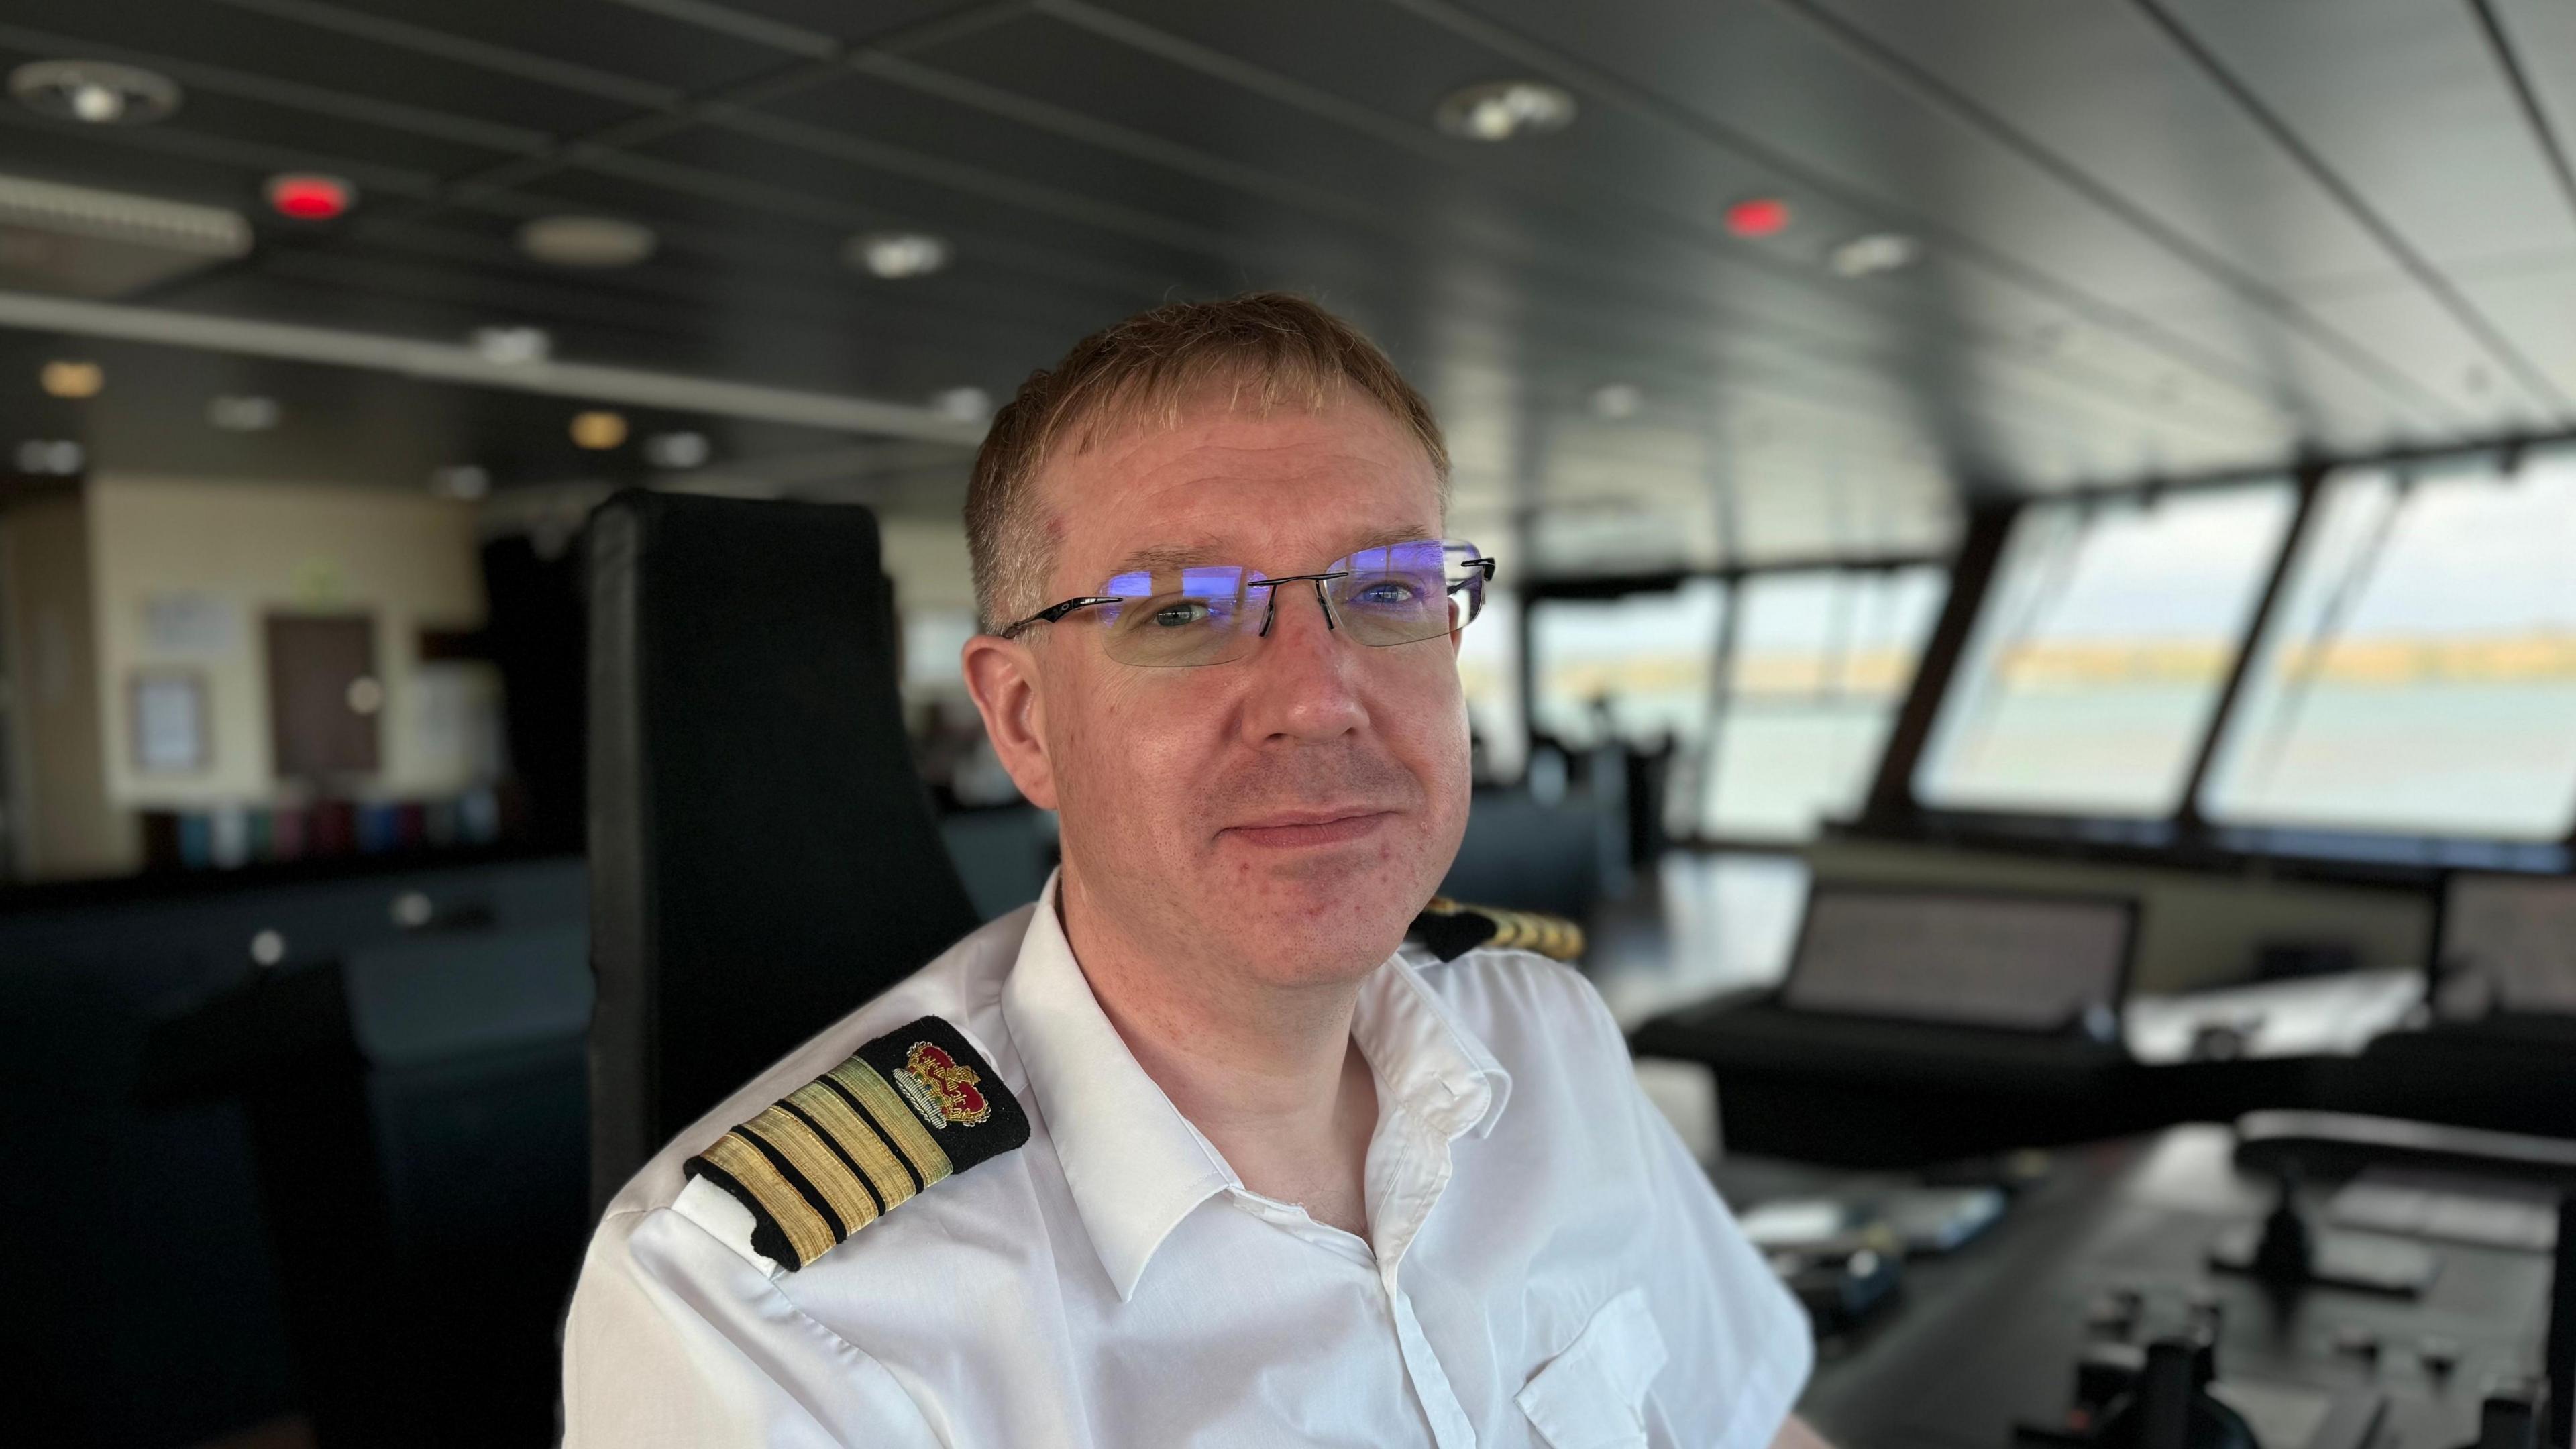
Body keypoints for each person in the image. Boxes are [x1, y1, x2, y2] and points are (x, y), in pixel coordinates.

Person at [563, 293, 1821, 1447]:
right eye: (1180, 612)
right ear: (1024, 725)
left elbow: (1749, 1421)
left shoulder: (1546, 1041)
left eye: (1384, 588)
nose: (1319, 701)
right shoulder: (757, 1324)